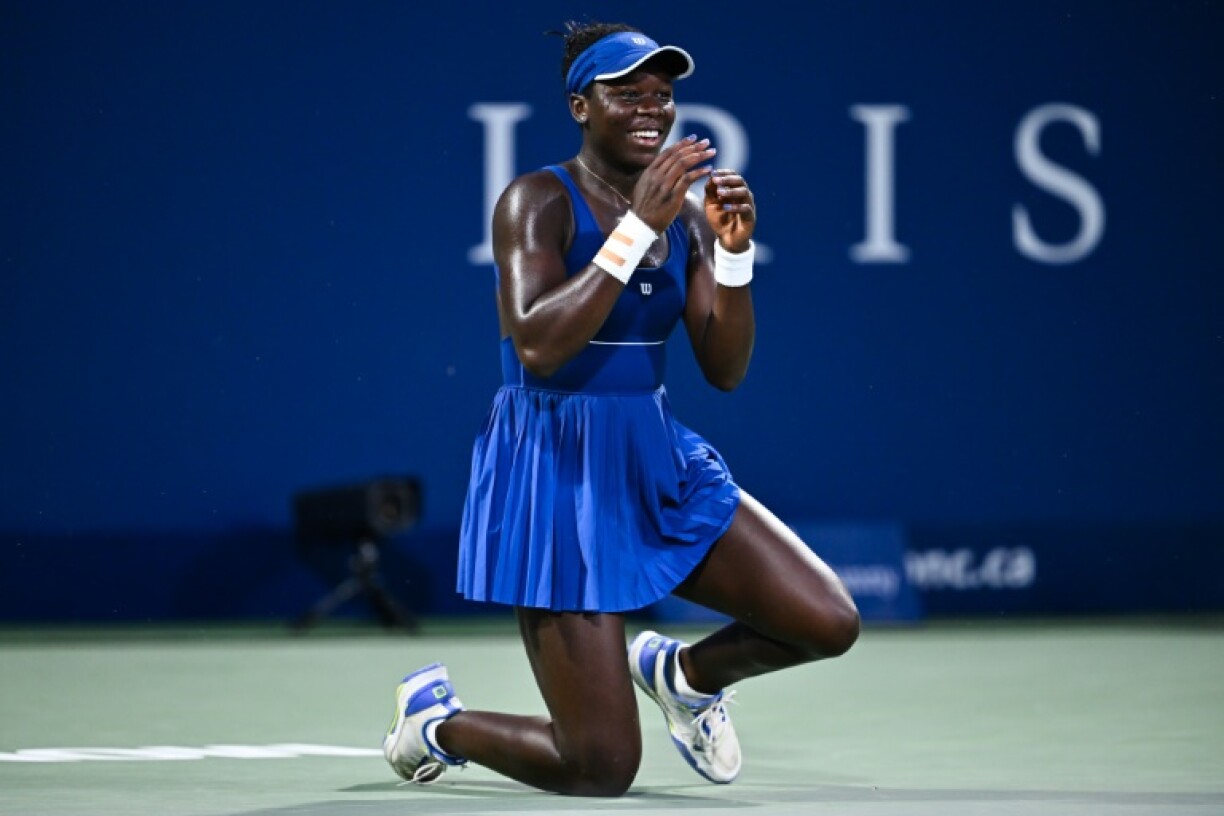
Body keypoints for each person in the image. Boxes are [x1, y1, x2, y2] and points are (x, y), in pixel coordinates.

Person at [383, 21, 861, 797]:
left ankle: (686, 677)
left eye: (662, 95)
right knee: (600, 766)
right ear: (581, 105)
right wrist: (638, 227)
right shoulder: (536, 200)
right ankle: (436, 722)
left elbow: (724, 369)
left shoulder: (687, 220)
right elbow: (539, 344)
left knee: (826, 620)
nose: (651, 108)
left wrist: (733, 256)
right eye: (627, 93)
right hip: (554, 473)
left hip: (654, 458)